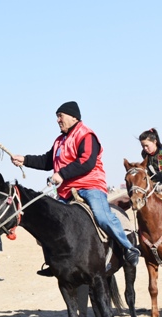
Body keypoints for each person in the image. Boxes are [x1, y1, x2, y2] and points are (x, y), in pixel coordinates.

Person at [11, 101, 141, 276]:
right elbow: (47, 161)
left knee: (102, 216)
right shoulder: (59, 140)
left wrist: (62, 174)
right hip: (66, 191)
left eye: (60, 116)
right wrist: (25, 160)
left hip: (90, 186)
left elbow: (86, 162)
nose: (58, 120)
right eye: (57, 117)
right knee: (49, 221)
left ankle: (128, 248)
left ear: (73, 116)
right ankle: (53, 262)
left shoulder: (86, 135)